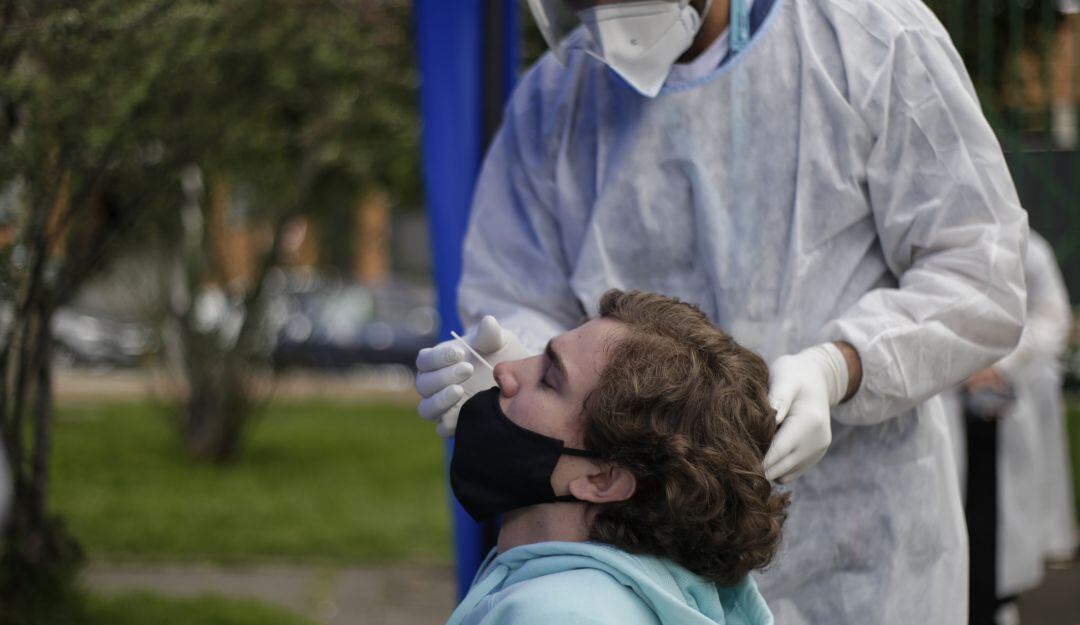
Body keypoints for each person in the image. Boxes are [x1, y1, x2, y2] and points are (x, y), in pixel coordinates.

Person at [416, 1, 1029, 623]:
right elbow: (512, 284)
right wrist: (522, 366)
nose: (598, 14)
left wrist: (841, 367)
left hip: (859, 550)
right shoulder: (557, 95)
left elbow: (981, 270)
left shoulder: (870, 37)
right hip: (634, 554)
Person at [445, 289, 786, 625]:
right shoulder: (572, 588)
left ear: (603, 479)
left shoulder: (557, 617)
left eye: (549, 378)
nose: (504, 369)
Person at [942, 231, 1075, 625]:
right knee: (950, 516)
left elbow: (1052, 315)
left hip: (1005, 409)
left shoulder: (1030, 247)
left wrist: (1000, 364)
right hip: (946, 402)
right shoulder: (939, 238)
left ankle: (996, 603)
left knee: (1000, 526)